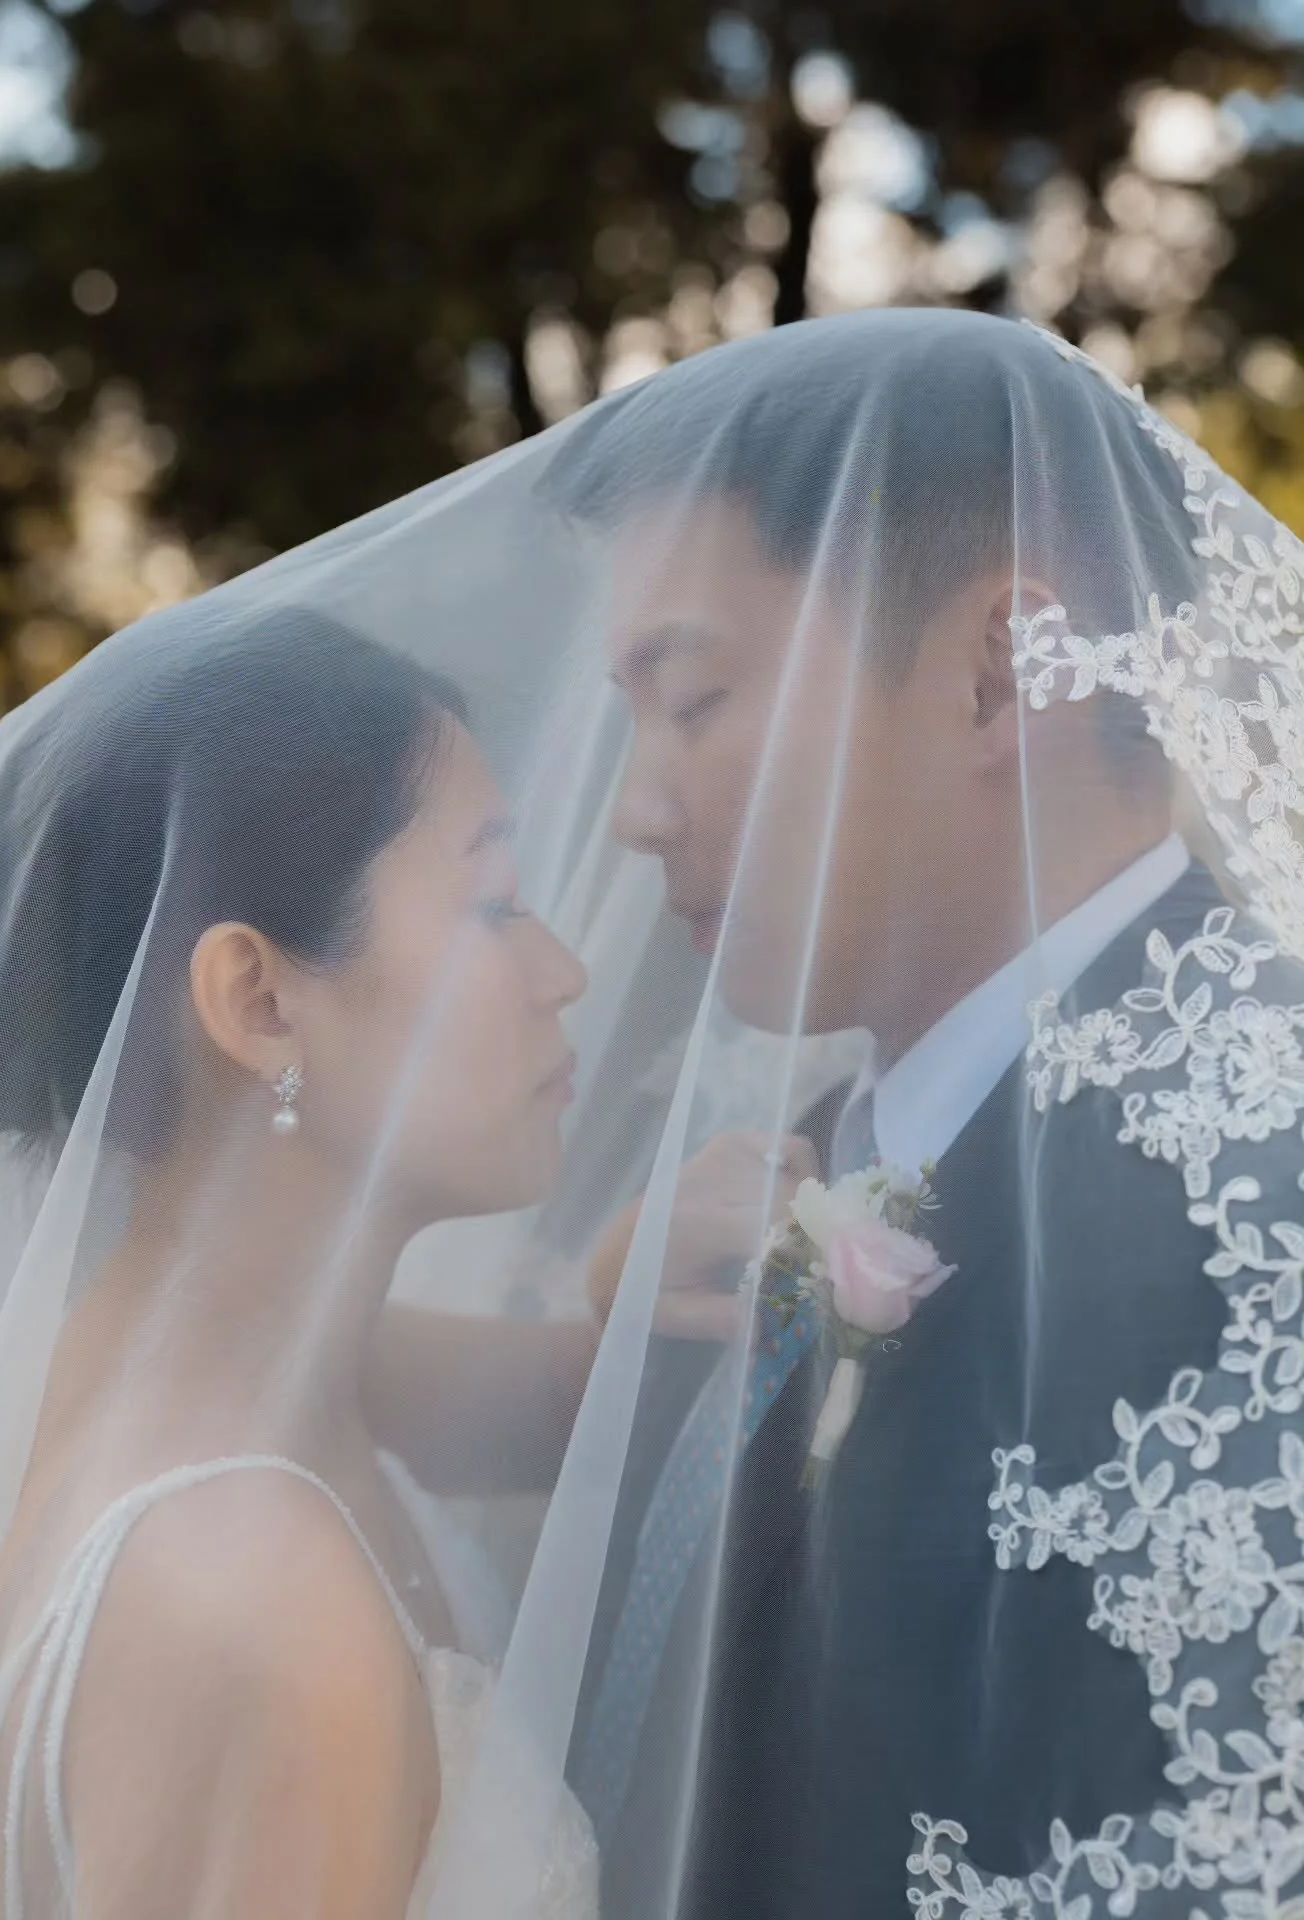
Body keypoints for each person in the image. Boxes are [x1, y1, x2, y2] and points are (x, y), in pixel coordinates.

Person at [557, 311, 1304, 1918]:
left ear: (992, 676)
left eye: (689, 702)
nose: (632, 809)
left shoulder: (1272, 1176)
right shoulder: (796, 1162)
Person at [0, 605, 598, 1920]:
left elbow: (574, 1399)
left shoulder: (277, 1366)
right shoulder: (246, 1596)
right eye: (495, 905)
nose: (567, 970)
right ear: (259, 1003)